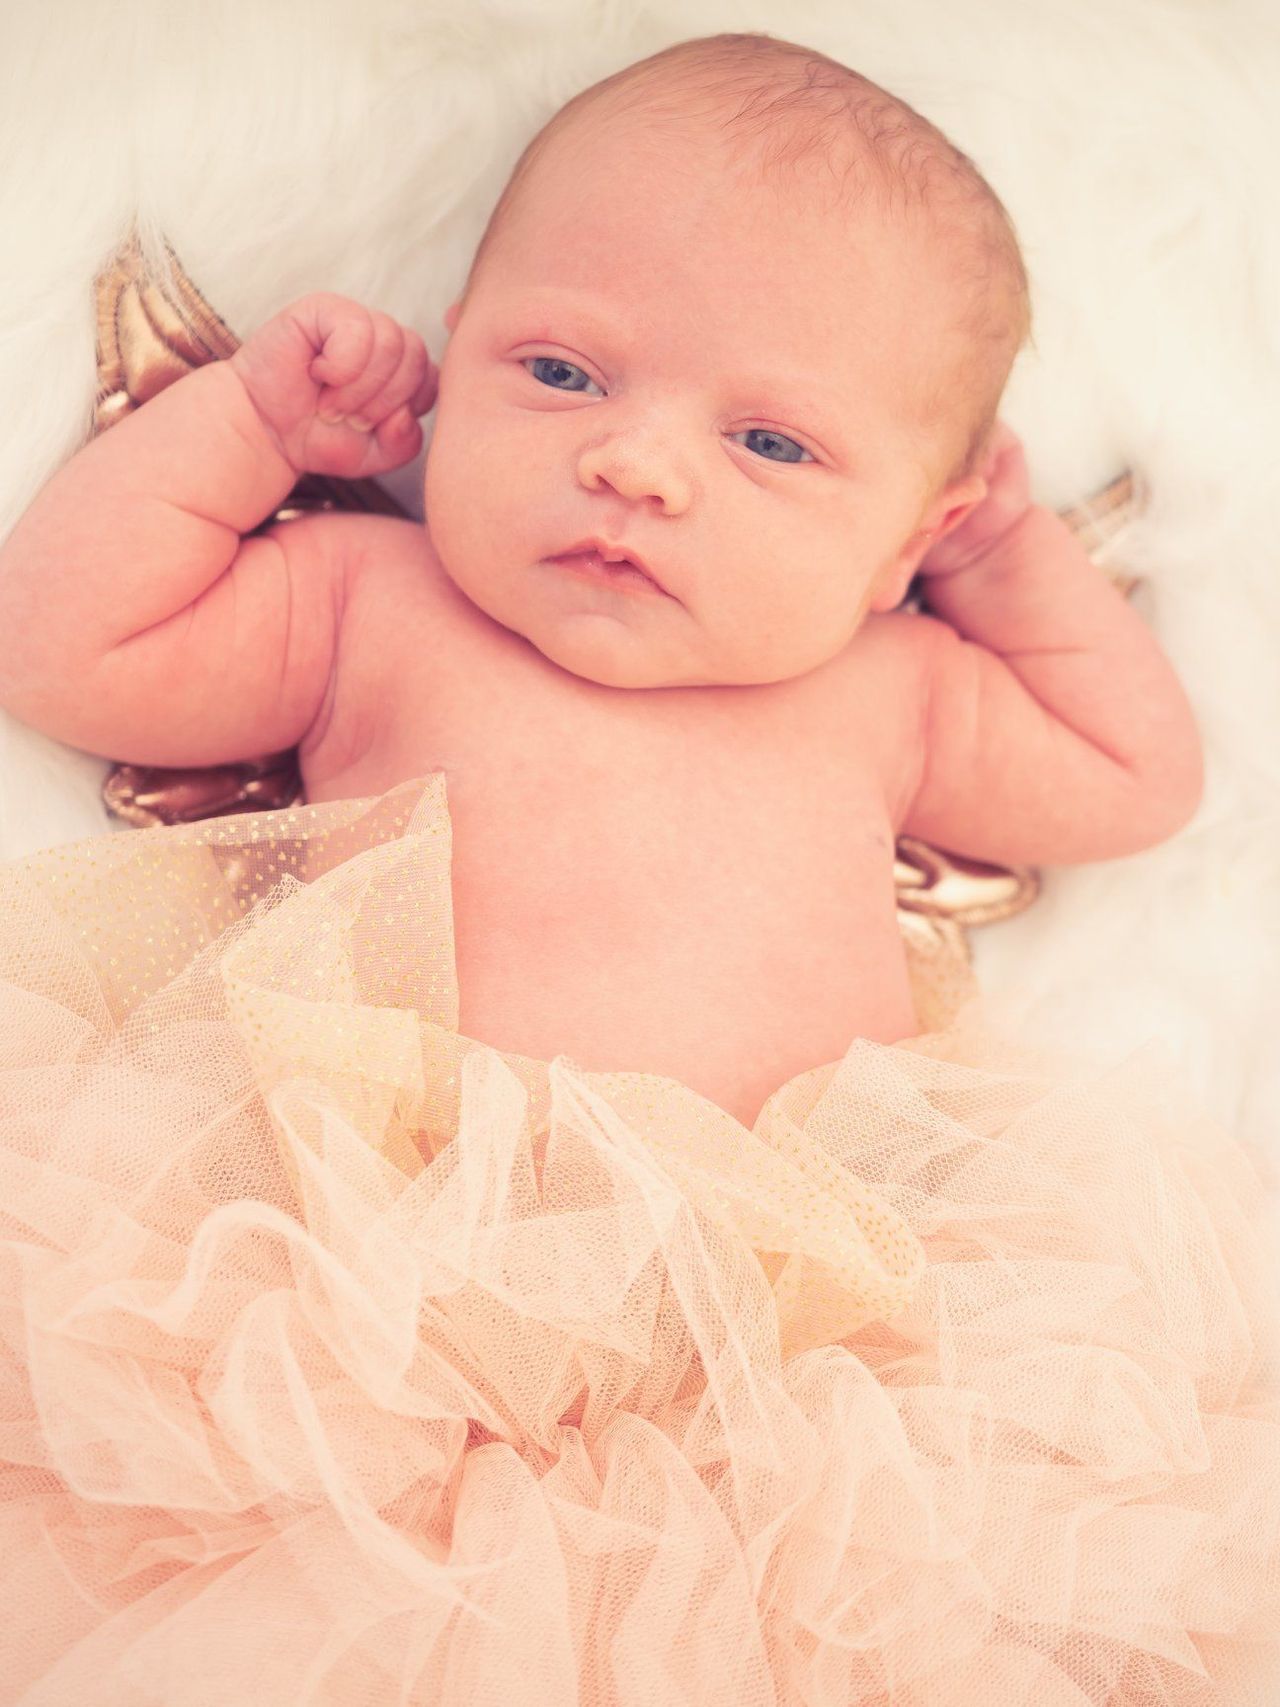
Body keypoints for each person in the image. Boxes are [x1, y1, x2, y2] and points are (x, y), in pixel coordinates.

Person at [0, 31, 1275, 1706]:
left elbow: (1136, 779)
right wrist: (251, 426)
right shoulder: (372, 598)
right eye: (565, 373)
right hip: (366, 1307)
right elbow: (59, 645)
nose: (637, 463)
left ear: (907, 537)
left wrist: (1015, 562)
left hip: (811, 1367)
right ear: (452, 366)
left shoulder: (880, 686)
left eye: (773, 446)